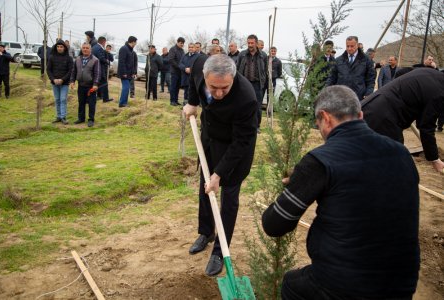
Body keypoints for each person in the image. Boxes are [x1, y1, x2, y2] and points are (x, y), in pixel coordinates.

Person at [263, 85, 420, 300]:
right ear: (360, 115)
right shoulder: (401, 153)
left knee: (292, 284)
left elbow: (274, 225)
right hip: (402, 284)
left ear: (325, 118)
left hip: (344, 287)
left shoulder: (319, 161)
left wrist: (298, 184)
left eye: (318, 125)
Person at [183, 54, 258, 276]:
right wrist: (192, 102)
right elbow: (193, 86)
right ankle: (206, 233)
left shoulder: (246, 98)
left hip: (235, 151)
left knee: (228, 199)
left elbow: (241, 142)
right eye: (213, 87)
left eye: (224, 88)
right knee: (204, 189)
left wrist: (219, 175)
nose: (218, 93)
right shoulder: (198, 66)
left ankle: (219, 251)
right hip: (209, 138)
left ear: (233, 79)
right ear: (205, 76)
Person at [362, 67, 444, 173]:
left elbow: (403, 72)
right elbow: (426, 127)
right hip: (384, 116)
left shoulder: (431, 73)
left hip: (370, 106)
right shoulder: (439, 93)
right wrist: (434, 159)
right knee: (396, 162)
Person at [326, 36, 375, 100]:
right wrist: (326, 91)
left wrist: (368, 93)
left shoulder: (366, 60)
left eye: (352, 46)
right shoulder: (338, 60)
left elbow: (370, 79)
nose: (349, 48)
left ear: (357, 45)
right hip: (341, 98)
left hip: (359, 98)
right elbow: (332, 78)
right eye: (347, 46)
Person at [236, 34, 268, 132]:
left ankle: (256, 126)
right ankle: (242, 124)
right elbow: (237, 69)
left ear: (256, 43)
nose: (250, 45)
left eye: (252, 43)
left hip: (258, 84)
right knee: (243, 105)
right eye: (248, 43)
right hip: (244, 84)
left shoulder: (263, 55)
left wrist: (264, 83)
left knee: (257, 106)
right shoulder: (242, 54)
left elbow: (265, 70)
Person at [70, 42, 100, 127]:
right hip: (81, 85)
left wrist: (95, 84)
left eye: (87, 48)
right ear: (81, 49)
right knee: (81, 102)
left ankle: (91, 119)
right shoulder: (78, 59)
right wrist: (72, 81)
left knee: (91, 103)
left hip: (91, 86)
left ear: (90, 49)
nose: (85, 49)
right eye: (84, 48)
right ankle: (81, 118)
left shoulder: (95, 60)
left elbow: (97, 73)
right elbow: (74, 71)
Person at [47, 39, 73, 125]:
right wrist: (53, 79)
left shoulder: (69, 58)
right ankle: (58, 116)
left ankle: (63, 117)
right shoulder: (51, 57)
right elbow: (48, 70)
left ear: (64, 48)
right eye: (58, 46)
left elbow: (70, 71)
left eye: (61, 47)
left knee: (63, 99)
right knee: (57, 99)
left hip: (64, 83)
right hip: (55, 82)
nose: (59, 48)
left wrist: (62, 79)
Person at [92, 36, 113, 103]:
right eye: (105, 42)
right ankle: (105, 98)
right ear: (103, 41)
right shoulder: (99, 48)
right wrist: (106, 61)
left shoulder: (94, 47)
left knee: (98, 84)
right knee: (104, 84)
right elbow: (101, 58)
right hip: (100, 68)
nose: (105, 44)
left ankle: (101, 97)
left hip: (95, 68)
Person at [117, 36, 137, 108]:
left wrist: (133, 73)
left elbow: (131, 63)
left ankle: (124, 102)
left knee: (127, 87)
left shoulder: (130, 50)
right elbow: (122, 62)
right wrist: (124, 72)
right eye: (135, 42)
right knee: (126, 87)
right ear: (132, 42)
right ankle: (122, 103)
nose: (135, 44)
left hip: (129, 73)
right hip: (124, 73)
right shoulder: (124, 49)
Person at [168, 37, 185, 106]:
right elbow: (171, 60)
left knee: (178, 87)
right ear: (177, 42)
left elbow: (183, 59)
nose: (182, 44)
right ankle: (172, 100)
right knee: (173, 86)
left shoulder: (182, 50)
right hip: (174, 71)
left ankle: (176, 100)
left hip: (180, 72)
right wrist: (179, 66)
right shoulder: (173, 49)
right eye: (181, 43)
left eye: (183, 43)